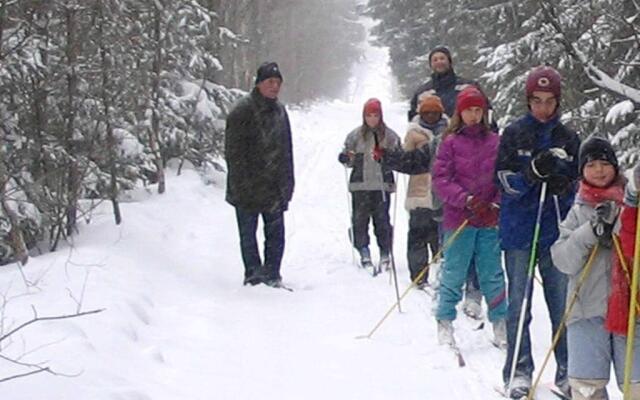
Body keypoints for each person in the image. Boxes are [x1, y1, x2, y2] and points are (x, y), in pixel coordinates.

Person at [495, 65, 581, 398]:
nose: (543, 108)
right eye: (536, 100)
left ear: (558, 102)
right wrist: (531, 173)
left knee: (561, 304)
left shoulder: (568, 137)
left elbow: (580, 182)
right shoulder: (515, 133)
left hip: (555, 232)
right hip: (519, 230)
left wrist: (564, 184)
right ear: (528, 100)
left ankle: (567, 370)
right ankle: (518, 369)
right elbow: (502, 181)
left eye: (549, 101)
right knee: (519, 303)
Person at [551, 137, 640, 399]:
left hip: (631, 313)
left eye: (604, 163)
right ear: (582, 171)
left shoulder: (632, 204)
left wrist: (623, 223)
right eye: (591, 165)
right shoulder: (578, 212)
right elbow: (563, 260)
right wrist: (591, 231)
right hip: (586, 311)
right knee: (587, 388)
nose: (599, 170)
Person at [407, 45, 484, 318]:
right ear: (431, 64)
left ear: (450, 61)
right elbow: (412, 120)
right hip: (443, 163)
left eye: (443, 58)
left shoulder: (466, 85)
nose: (439, 62)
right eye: (435, 59)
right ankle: (444, 289)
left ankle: (473, 293)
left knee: (475, 236)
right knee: (443, 232)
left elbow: (485, 113)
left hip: (473, 159)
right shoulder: (424, 90)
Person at [431, 86, 507, 349]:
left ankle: (500, 323)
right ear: (459, 112)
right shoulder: (450, 141)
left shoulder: (495, 141)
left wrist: (495, 203)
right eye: (469, 110)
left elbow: (503, 177)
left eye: (478, 110)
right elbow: (441, 179)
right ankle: (444, 322)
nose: (474, 115)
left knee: (492, 273)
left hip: (488, 219)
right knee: (454, 271)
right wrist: (465, 199)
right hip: (459, 218)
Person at [224, 62, 294, 288]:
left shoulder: (280, 111)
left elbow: (286, 149)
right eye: (270, 82)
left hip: (274, 186)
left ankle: (273, 274)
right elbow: (233, 153)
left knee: (276, 234)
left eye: (278, 83)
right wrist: (242, 183)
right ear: (259, 83)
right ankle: (253, 275)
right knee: (248, 234)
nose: (275, 87)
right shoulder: (242, 111)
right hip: (247, 187)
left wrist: (288, 182)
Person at [338, 98, 401, 272]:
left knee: (382, 220)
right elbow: (348, 157)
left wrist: (388, 157)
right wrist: (345, 158)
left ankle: (385, 252)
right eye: (369, 115)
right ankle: (363, 250)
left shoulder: (390, 136)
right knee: (360, 220)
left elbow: (400, 158)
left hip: (382, 185)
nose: (372, 119)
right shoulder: (355, 136)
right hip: (360, 185)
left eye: (375, 115)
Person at [403, 95, 448, 287]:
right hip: (419, 191)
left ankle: (446, 277)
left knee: (441, 238)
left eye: (434, 112)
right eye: (427, 113)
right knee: (418, 235)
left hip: (442, 191)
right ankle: (419, 275)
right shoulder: (413, 132)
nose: (431, 116)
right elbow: (406, 158)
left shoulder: (449, 130)